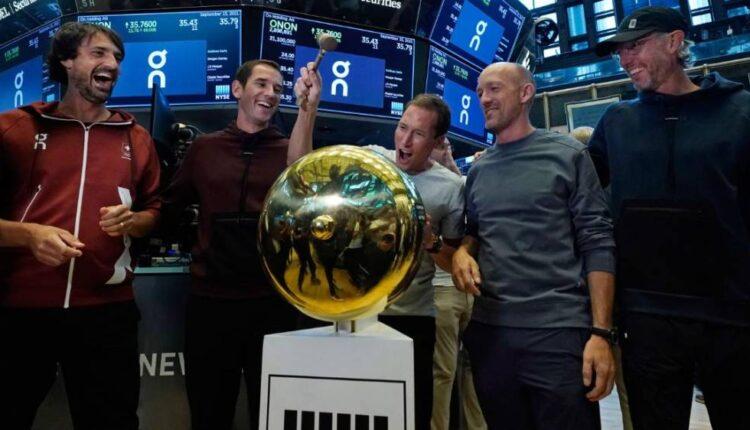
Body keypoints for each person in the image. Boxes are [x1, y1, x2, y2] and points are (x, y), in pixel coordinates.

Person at [590, 6, 750, 429]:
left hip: (731, 316)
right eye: (621, 51)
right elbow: (578, 198)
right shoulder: (616, 122)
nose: (625, 59)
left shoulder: (740, 112)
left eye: (636, 46)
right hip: (646, 318)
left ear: (675, 42)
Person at [0, 22, 161, 429]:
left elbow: (154, 212)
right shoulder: (15, 129)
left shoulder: (137, 138)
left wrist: (135, 221)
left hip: (107, 313)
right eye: (99, 53)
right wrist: (28, 234)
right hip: (22, 312)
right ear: (67, 61)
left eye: (117, 57)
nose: (113, 64)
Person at [452, 62, 616, 430]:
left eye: (494, 89)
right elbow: (475, 231)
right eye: (480, 92)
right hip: (492, 335)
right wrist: (463, 250)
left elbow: (598, 241)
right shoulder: (478, 170)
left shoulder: (568, 155)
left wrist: (601, 333)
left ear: (526, 93)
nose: (484, 99)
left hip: (558, 334)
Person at [160, 59, 321, 430]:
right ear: (237, 89)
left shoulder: (288, 149)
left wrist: (308, 108)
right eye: (261, 84)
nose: (270, 93)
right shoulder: (204, 149)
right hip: (210, 304)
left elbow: (303, 182)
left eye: (278, 88)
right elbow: (170, 206)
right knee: (209, 413)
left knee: (275, 413)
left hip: (272, 303)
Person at [358, 94, 465, 430]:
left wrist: (431, 242)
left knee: (411, 416)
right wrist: (309, 108)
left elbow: (455, 263)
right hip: (360, 315)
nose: (404, 141)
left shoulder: (451, 188)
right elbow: (300, 162)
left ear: (437, 142)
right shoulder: (370, 162)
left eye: (418, 134)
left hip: (415, 319)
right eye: (402, 127)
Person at [570, 125, 633, 430]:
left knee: (583, 397)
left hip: (589, 315)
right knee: (630, 398)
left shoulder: (581, 198)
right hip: (623, 312)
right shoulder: (622, 189)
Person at [428, 137, 486, 430]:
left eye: (448, 147)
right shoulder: (431, 186)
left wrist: (450, 159)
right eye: (441, 145)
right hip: (444, 289)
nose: (447, 150)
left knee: (471, 369)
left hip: (468, 290)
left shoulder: (461, 184)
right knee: (444, 372)